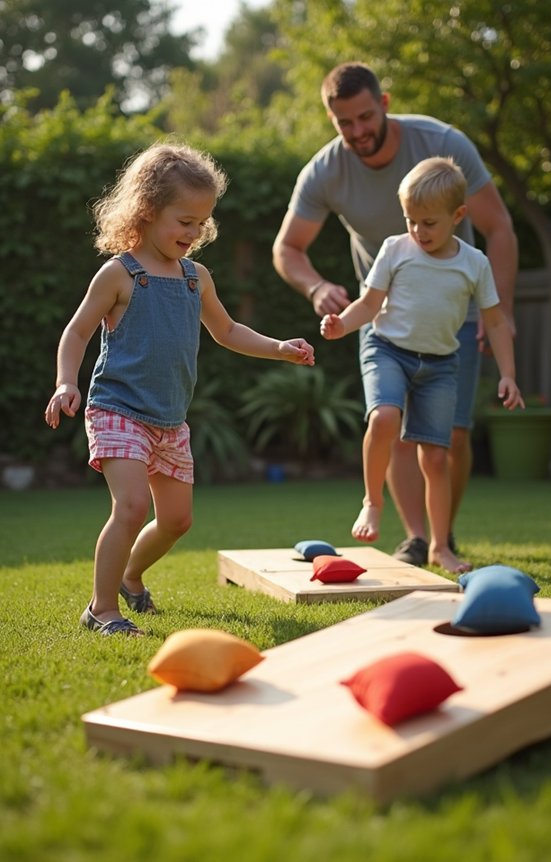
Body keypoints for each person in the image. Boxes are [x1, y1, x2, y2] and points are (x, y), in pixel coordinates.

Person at [45, 142, 315, 637]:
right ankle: (102, 609)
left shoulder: (197, 279)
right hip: (117, 409)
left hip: (170, 419)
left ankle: (130, 574)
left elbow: (229, 331)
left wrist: (279, 347)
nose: (194, 233)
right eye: (183, 221)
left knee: (177, 521)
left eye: (201, 223)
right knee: (130, 507)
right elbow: (77, 330)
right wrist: (66, 381)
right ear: (147, 212)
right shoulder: (121, 274)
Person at [272, 61, 518, 566]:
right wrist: (316, 287)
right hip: (383, 314)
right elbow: (287, 249)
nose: (358, 131)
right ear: (332, 120)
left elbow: (500, 229)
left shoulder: (442, 145)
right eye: (345, 122)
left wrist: (503, 310)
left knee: (451, 435)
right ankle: (417, 538)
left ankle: (442, 532)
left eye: (365, 117)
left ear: (383, 104)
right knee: (391, 423)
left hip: (456, 311)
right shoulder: (325, 171)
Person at [320, 156, 523, 572]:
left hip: (440, 364)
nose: (418, 231)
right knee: (384, 418)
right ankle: (372, 503)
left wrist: (509, 375)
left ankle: (439, 547)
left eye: (429, 222)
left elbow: (496, 321)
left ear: (458, 216)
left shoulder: (474, 263)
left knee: (435, 456)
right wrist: (342, 326)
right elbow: (370, 304)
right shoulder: (396, 250)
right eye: (411, 220)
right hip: (387, 348)